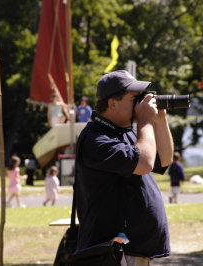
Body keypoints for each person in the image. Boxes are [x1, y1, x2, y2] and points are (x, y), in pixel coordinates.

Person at [74, 70, 174, 265]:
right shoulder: (96, 139)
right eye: (135, 99)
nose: (140, 103)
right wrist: (144, 120)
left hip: (133, 248)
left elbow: (164, 158)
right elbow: (144, 163)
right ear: (112, 103)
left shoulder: (124, 132)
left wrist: (160, 120)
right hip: (115, 250)